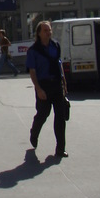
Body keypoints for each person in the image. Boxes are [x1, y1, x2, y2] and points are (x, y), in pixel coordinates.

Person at [26, 21, 69, 158]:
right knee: (43, 114)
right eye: (45, 30)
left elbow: (59, 63)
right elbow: (32, 71)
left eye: (49, 30)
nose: (48, 32)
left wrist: (64, 82)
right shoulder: (33, 50)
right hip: (43, 85)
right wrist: (38, 89)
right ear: (39, 33)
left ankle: (60, 149)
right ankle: (34, 133)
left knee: (60, 117)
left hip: (56, 84)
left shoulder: (55, 46)